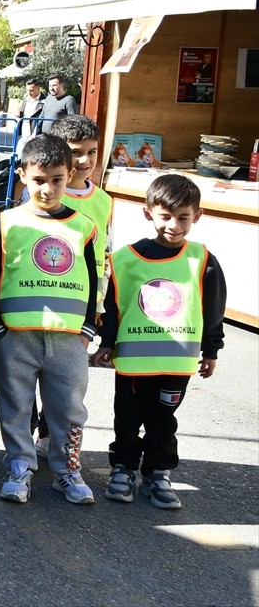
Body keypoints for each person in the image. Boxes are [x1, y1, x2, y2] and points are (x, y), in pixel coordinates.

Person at [91, 174, 226, 509]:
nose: (174, 225)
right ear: (148, 212)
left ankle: (157, 472)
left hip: (176, 364)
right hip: (133, 366)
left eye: (183, 217)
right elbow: (113, 307)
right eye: (166, 216)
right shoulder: (125, 259)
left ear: (197, 215)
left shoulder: (203, 260)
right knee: (127, 418)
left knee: (163, 421)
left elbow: (213, 309)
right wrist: (106, 344)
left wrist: (212, 349)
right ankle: (123, 468)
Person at [0, 134, 98, 506]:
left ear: (70, 176)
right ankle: (19, 466)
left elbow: (92, 276)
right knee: (14, 405)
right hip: (15, 337)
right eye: (39, 180)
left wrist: (87, 328)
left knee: (69, 408)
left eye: (57, 179)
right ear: (22, 176)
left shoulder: (83, 226)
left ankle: (67, 470)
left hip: (68, 339)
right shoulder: (7, 222)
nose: (48, 188)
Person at [32, 115, 114, 457]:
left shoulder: (104, 201)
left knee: (66, 380)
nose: (84, 161)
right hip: (42, 299)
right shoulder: (42, 193)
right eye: (75, 152)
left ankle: (54, 436)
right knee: (34, 372)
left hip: (83, 304)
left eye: (92, 152)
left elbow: (105, 252)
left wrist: (99, 308)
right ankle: (30, 434)